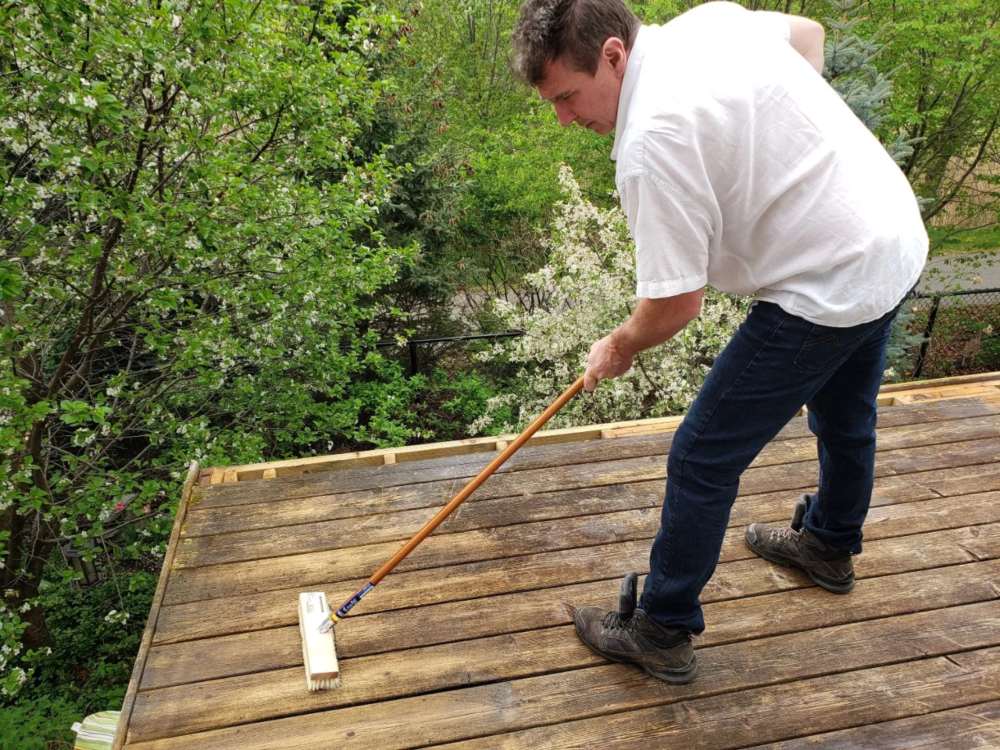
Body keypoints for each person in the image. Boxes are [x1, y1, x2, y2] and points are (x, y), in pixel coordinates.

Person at [511, 0, 927, 684]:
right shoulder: (706, 24)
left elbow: (676, 304)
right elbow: (808, 36)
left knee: (702, 456)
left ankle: (661, 628)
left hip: (827, 282)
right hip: (892, 238)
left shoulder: (652, 141)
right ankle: (828, 543)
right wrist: (791, 150)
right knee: (846, 415)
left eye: (566, 96)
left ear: (613, 55)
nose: (564, 119)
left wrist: (617, 346)